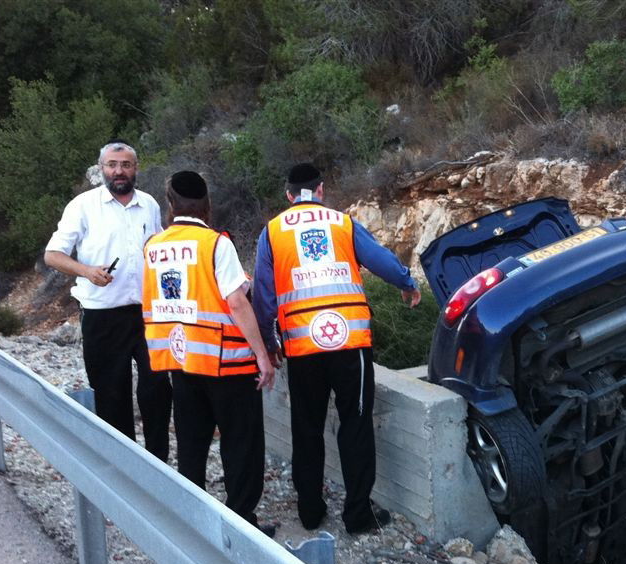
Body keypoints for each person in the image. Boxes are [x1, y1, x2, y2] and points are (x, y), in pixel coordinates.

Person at [252, 163, 420, 534]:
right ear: (322, 190)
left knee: (306, 428)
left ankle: (310, 511)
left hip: (301, 347)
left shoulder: (273, 231)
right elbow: (379, 259)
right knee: (355, 424)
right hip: (350, 344)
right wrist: (407, 283)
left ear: (288, 195)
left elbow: (264, 293)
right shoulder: (341, 223)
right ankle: (358, 515)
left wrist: (269, 340)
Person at [141, 170, 277, 536]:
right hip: (228, 362)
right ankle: (241, 522)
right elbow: (236, 301)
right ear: (207, 205)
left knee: (191, 441)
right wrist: (262, 355)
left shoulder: (153, 246)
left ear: (170, 205)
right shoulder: (215, 244)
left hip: (182, 360)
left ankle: (193, 517)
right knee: (241, 444)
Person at [44, 140, 172, 460]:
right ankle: (124, 466)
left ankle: (159, 464)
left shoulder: (150, 204)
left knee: (158, 390)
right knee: (112, 396)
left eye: (125, 165)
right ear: (101, 169)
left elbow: (157, 250)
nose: (119, 171)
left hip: (147, 313)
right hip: (103, 314)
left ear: (136, 168)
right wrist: (87, 271)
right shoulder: (83, 206)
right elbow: (52, 255)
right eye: (112, 165)